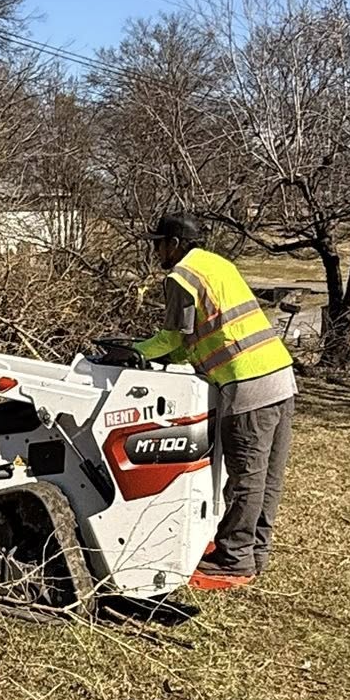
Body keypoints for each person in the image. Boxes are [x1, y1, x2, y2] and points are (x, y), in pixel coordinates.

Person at [133, 210, 296, 589]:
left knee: (245, 478)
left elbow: (173, 338)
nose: (156, 251)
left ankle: (233, 560)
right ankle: (254, 552)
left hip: (246, 382)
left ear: (174, 244)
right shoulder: (216, 265)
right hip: (280, 375)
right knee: (268, 477)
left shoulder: (181, 276)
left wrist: (135, 352)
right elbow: (193, 342)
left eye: (158, 243)